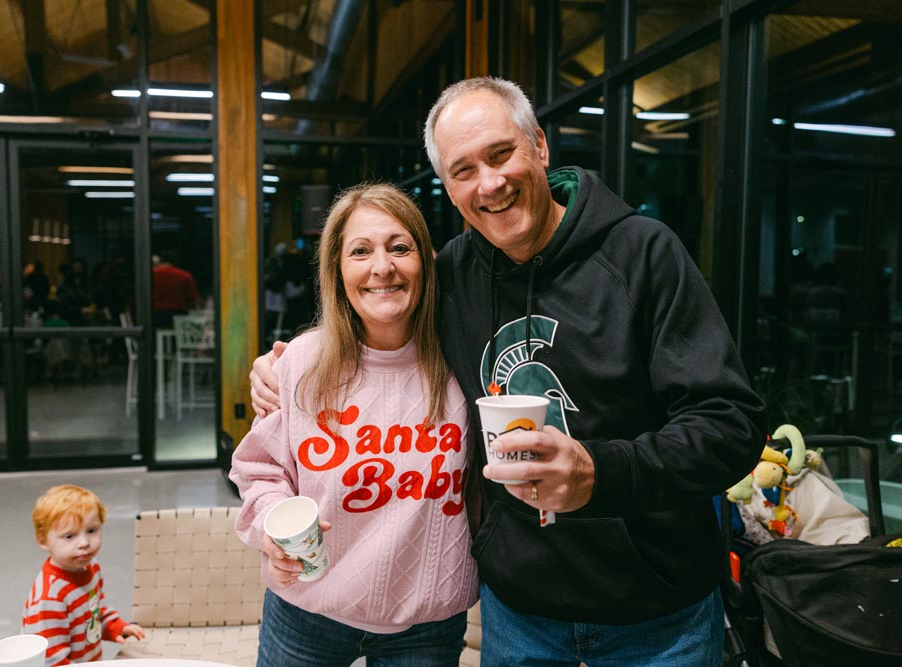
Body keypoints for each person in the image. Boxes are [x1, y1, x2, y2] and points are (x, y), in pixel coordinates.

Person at [252, 77, 766, 667]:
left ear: (539, 146)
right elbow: (379, 320)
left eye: (501, 154)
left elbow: (732, 425)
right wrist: (285, 364)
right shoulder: (452, 279)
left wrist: (601, 472)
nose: (490, 183)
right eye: (464, 170)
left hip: (657, 613)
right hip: (521, 613)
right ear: (449, 188)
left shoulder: (643, 254)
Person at [232, 183, 477, 667]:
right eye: (360, 251)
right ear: (337, 269)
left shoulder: (464, 359)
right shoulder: (300, 362)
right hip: (308, 613)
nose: (382, 267)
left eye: (399, 247)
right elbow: (262, 471)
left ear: (426, 261)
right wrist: (273, 527)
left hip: (426, 623)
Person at [22, 484, 145, 666]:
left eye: (91, 531)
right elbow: (51, 660)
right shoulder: (49, 599)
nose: (84, 543)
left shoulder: (91, 567)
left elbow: (95, 609)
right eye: (69, 536)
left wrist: (115, 626)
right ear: (43, 541)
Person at [152, 251, 201, 327]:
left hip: (154, 315)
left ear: (160, 261)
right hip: (178, 316)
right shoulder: (185, 276)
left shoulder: (151, 274)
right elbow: (193, 298)